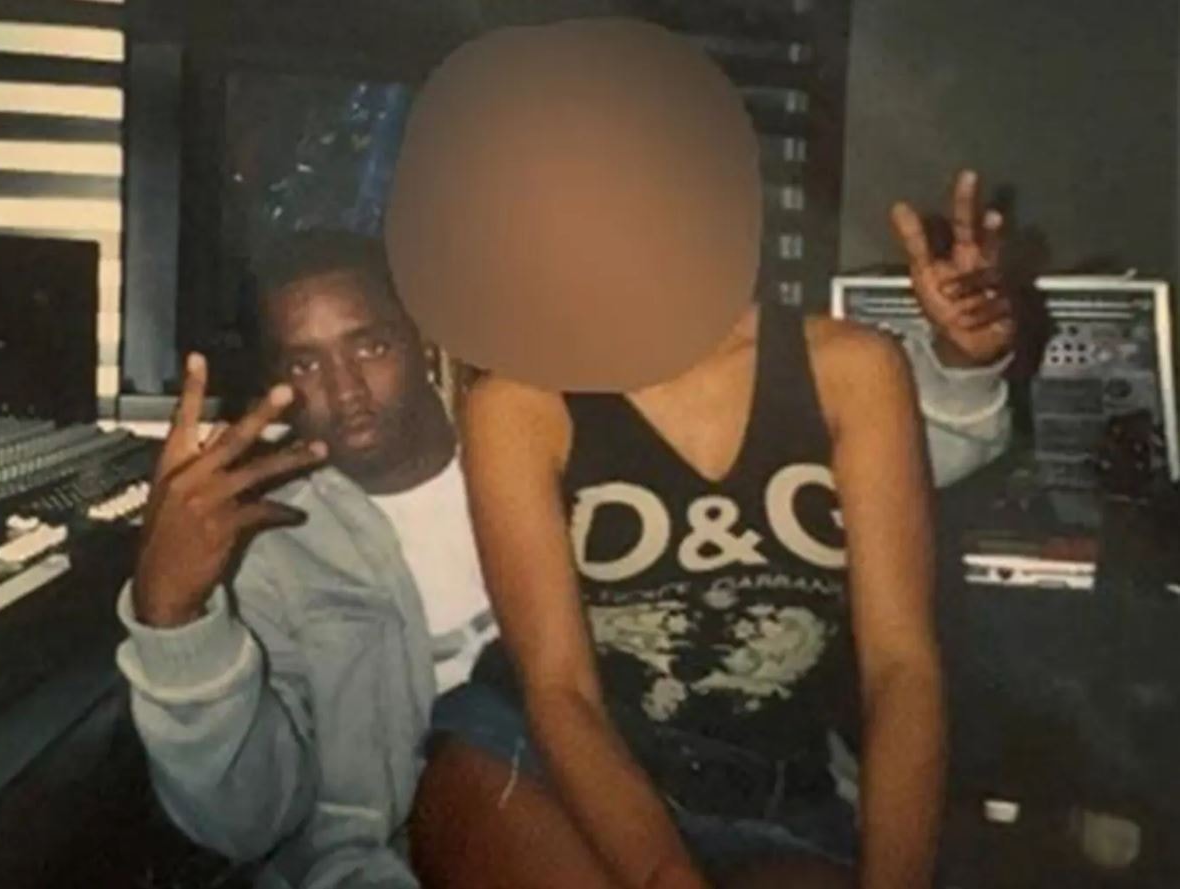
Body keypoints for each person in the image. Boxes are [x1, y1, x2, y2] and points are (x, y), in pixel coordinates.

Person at [115, 211, 1012, 887]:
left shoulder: (549, 432)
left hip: (691, 788)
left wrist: (961, 365)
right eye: (304, 364)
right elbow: (243, 820)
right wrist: (175, 618)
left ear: (424, 339)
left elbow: (828, 469)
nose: (345, 389)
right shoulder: (266, 548)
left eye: (371, 345)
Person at [408, 172, 1008, 889]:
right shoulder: (518, 403)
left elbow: (901, 666)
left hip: (769, 789)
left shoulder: (852, 368)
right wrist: (668, 877)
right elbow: (560, 690)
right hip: (548, 763)